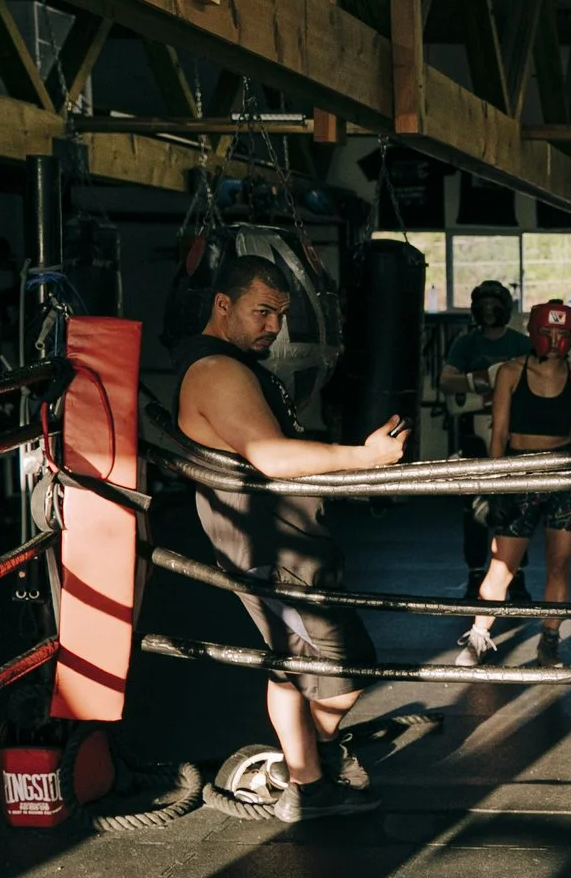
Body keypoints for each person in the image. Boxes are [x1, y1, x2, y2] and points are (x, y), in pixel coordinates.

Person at [174, 255, 407, 821]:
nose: (273, 326)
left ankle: (305, 773)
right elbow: (271, 456)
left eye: (279, 315)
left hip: (285, 542)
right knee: (342, 676)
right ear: (221, 305)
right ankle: (307, 773)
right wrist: (364, 458)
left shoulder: (228, 363)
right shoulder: (217, 371)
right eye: (261, 312)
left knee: (293, 663)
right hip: (273, 551)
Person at [457, 300, 571, 668]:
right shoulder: (510, 372)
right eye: (547, 332)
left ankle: (549, 642)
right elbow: (499, 433)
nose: (554, 340)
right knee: (502, 566)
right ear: (535, 333)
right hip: (519, 472)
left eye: (562, 333)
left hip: (563, 471)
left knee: (559, 565)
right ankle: (478, 637)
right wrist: (495, 485)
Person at [437, 280, 531, 596]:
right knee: (474, 503)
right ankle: (477, 570)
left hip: (513, 432)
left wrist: (486, 391)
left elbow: (534, 383)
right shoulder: (466, 344)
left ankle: (515, 573)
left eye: (495, 303)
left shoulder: (520, 343)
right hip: (474, 431)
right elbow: (447, 383)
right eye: (484, 304)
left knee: (516, 500)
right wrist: (487, 382)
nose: (490, 310)